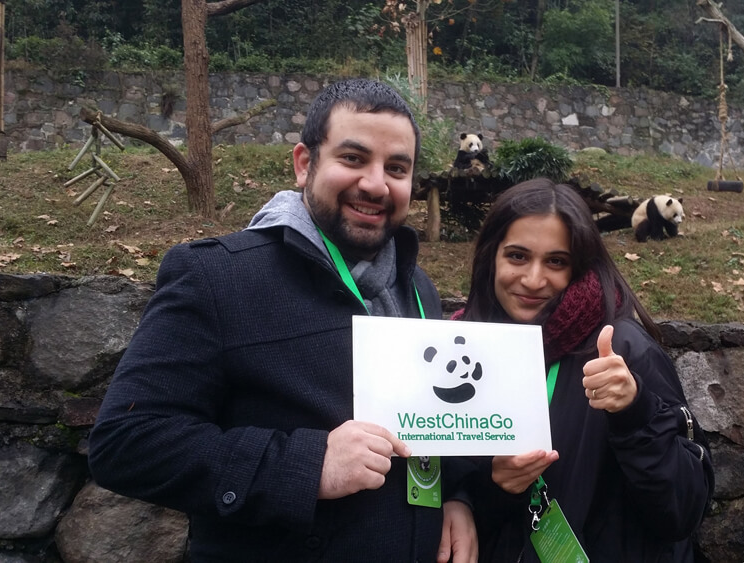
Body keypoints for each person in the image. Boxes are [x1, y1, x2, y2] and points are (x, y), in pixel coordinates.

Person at [88, 79, 477, 563]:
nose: (376, 183)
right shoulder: (215, 276)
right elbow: (126, 443)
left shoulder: (415, 285)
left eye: (396, 168)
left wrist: (454, 497)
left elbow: (426, 423)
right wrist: (309, 467)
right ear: (304, 164)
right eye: (353, 159)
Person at [454, 178, 714, 562]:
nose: (533, 279)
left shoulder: (622, 350)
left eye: (556, 261)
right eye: (517, 256)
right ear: (492, 256)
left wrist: (635, 411)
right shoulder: (467, 352)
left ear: (581, 266)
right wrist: (492, 489)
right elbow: (462, 494)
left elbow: (683, 512)